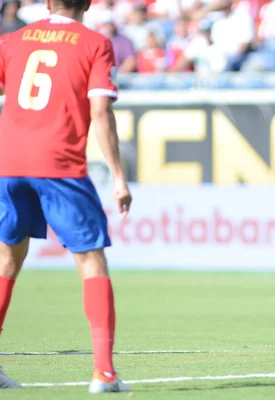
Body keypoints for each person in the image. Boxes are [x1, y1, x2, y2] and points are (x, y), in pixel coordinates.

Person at [0, 0, 132, 392]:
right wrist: (119, 176)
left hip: (9, 164)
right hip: (59, 163)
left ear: (45, 3)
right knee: (91, 261)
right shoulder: (94, 43)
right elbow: (100, 113)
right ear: (89, 3)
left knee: (7, 259)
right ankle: (103, 373)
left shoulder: (12, 40)